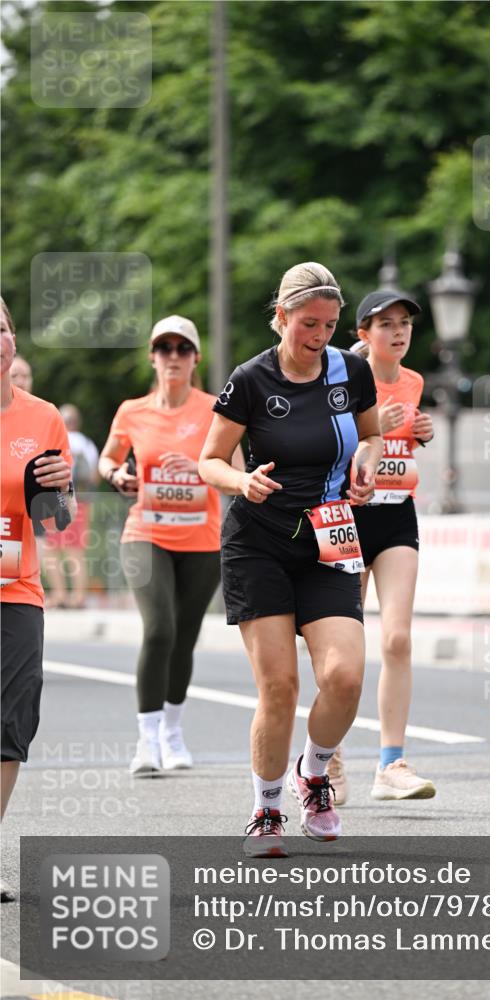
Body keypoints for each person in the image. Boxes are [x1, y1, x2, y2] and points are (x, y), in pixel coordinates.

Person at [199, 262, 382, 857]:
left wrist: (368, 464)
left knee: (346, 677)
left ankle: (314, 773)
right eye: (308, 323)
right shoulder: (250, 379)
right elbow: (209, 459)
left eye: (329, 324)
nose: (319, 335)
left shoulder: (349, 371)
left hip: (330, 535)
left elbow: (373, 433)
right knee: (279, 686)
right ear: (280, 317)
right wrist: (240, 481)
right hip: (260, 542)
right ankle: (266, 808)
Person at [99, 315, 242, 776]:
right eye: (165, 349)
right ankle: (146, 740)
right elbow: (108, 457)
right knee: (159, 629)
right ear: (152, 357)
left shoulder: (215, 408)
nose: (174, 357)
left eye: (184, 349)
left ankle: (173, 732)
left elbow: (236, 469)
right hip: (147, 533)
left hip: (201, 539)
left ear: (196, 357)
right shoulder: (132, 410)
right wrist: (117, 475)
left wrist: (200, 467)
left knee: (184, 638)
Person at [329, 288, 436, 802]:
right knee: (343, 652)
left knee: (397, 638)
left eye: (405, 324)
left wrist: (422, 432)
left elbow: (404, 444)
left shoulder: (414, 381)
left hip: (396, 516)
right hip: (347, 517)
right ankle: (328, 755)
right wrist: (370, 428)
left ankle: (391, 765)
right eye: (385, 323)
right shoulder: (346, 376)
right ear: (363, 334)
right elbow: (325, 439)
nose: (398, 332)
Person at [1, 298, 74, 901]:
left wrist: (60, 491)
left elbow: (56, 521)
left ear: (13, 340)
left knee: (12, 720)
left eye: (0, 327)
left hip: (15, 586)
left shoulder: (42, 418)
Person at [42, 404, 100, 609]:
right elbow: (94, 476)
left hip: (54, 500)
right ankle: (78, 597)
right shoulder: (87, 444)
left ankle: (59, 595)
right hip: (81, 501)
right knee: (75, 551)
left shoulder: (54, 440)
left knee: (51, 550)